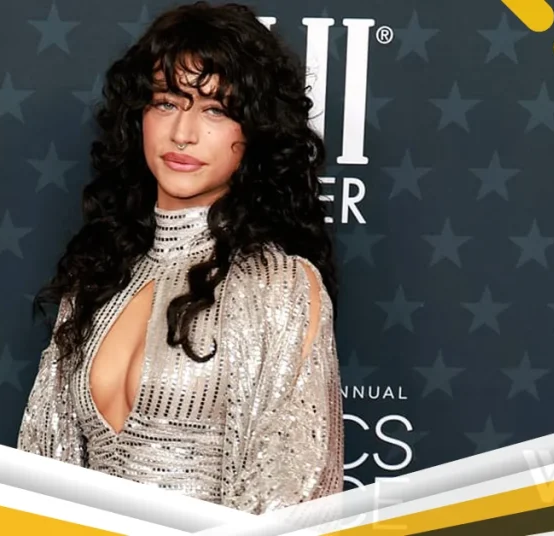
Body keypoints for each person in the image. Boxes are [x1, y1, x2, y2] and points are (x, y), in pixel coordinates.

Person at [17, 1, 344, 515]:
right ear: (139, 117)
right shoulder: (96, 281)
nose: (183, 133)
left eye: (215, 110)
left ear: (254, 131)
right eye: (167, 103)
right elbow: (41, 472)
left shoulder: (280, 285)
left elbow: (293, 491)